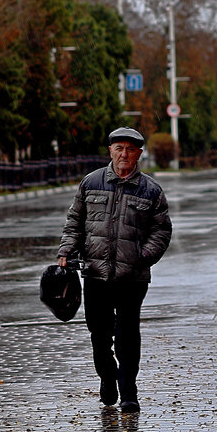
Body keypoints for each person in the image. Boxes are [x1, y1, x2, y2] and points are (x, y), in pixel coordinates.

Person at [58, 127, 172, 413]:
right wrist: (66, 250)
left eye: (130, 150)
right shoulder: (91, 182)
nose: (124, 154)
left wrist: (142, 256)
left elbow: (161, 230)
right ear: (110, 151)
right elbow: (75, 221)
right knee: (99, 334)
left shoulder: (150, 190)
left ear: (138, 154)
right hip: (95, 274)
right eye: (119, 148)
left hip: (132, 277)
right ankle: (107, 377)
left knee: (127, 335)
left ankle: (129, 391)